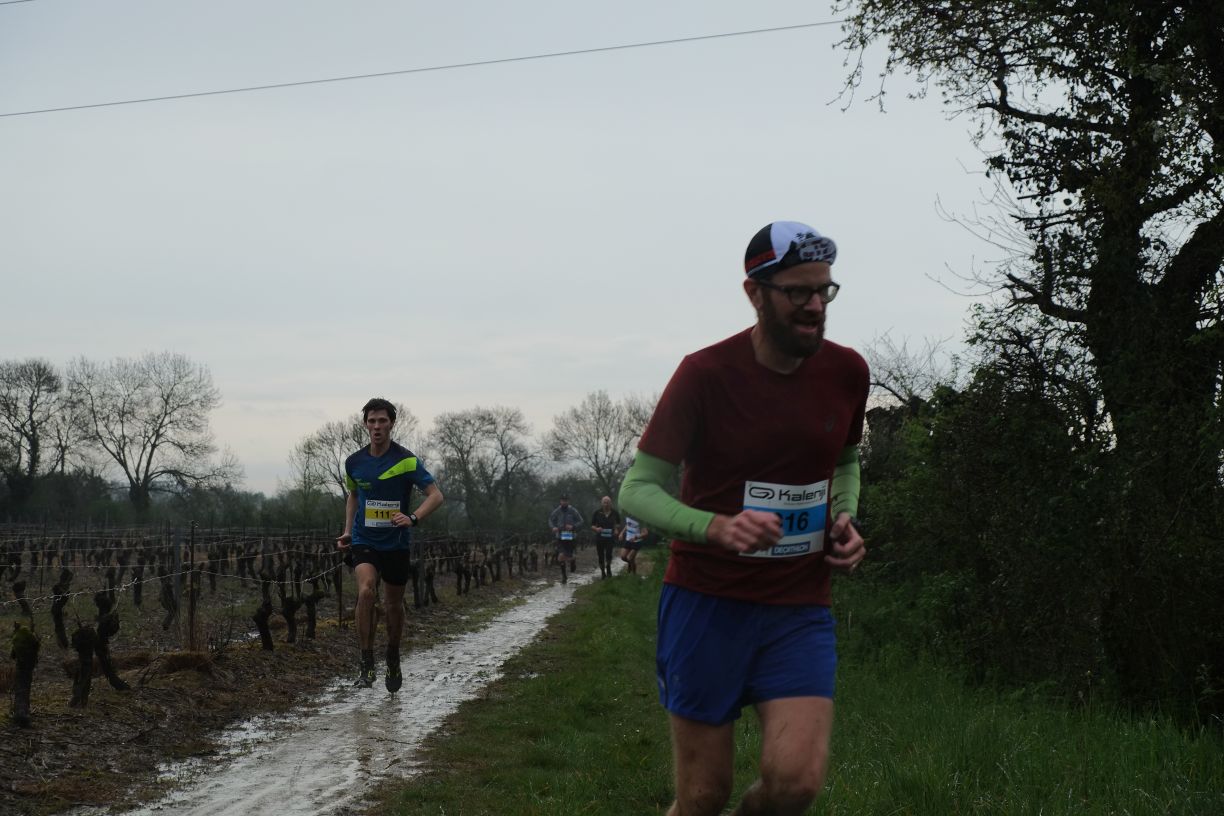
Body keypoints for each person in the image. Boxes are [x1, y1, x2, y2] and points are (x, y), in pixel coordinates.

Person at [619, 221, 868, 816]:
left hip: (799, 606)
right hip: (707, 604)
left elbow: (846, 460)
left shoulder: (847, 372)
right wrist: (715, 527)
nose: (815, 306)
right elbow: (637, 488)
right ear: (755, 293)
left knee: (796, 784)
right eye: (798, 292)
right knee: (703, 796)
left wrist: (844, 518)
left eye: (824, 291)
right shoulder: (705, 375)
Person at [336, 397, 444, 691]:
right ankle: (366, 661)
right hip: (364, 539)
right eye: (371, 421)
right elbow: (354, 496)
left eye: (382, 421)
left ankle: (393, 655)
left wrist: (413, 517)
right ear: (365, 425)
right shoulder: (354, 462)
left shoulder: (406, 460)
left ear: (392, 424)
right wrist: (347, 531)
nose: (377, 426)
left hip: (396, 543)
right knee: (366, 591)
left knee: (393, 604)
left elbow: (436, 495)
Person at [548, 493, 584, 584]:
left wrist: (573, 526)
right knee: (561, 556)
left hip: (571, 536)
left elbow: (581, 521)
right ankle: (564, 576)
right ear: (560, 501)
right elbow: (550, 520)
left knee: (569, 556)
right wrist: (553, 527)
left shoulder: (573, 510)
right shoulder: (557, 511)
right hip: (560, 536)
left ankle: (573, 561)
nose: (564, 502)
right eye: (563, 500)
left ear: (568, 501)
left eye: (566, 500)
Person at [590, 495, 622, 579]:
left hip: (610, 537)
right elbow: (592, 525)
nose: (606, 504)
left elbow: (618, 523)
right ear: (602, 503)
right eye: (604, 502)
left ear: (611, 503)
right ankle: (602, 572)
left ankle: (608, 568)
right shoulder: (597, 513)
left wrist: (616, 529)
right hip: (600, 537)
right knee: (600, 555)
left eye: (608, 502)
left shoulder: (615, 513)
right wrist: (596, 529)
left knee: (609, 554)